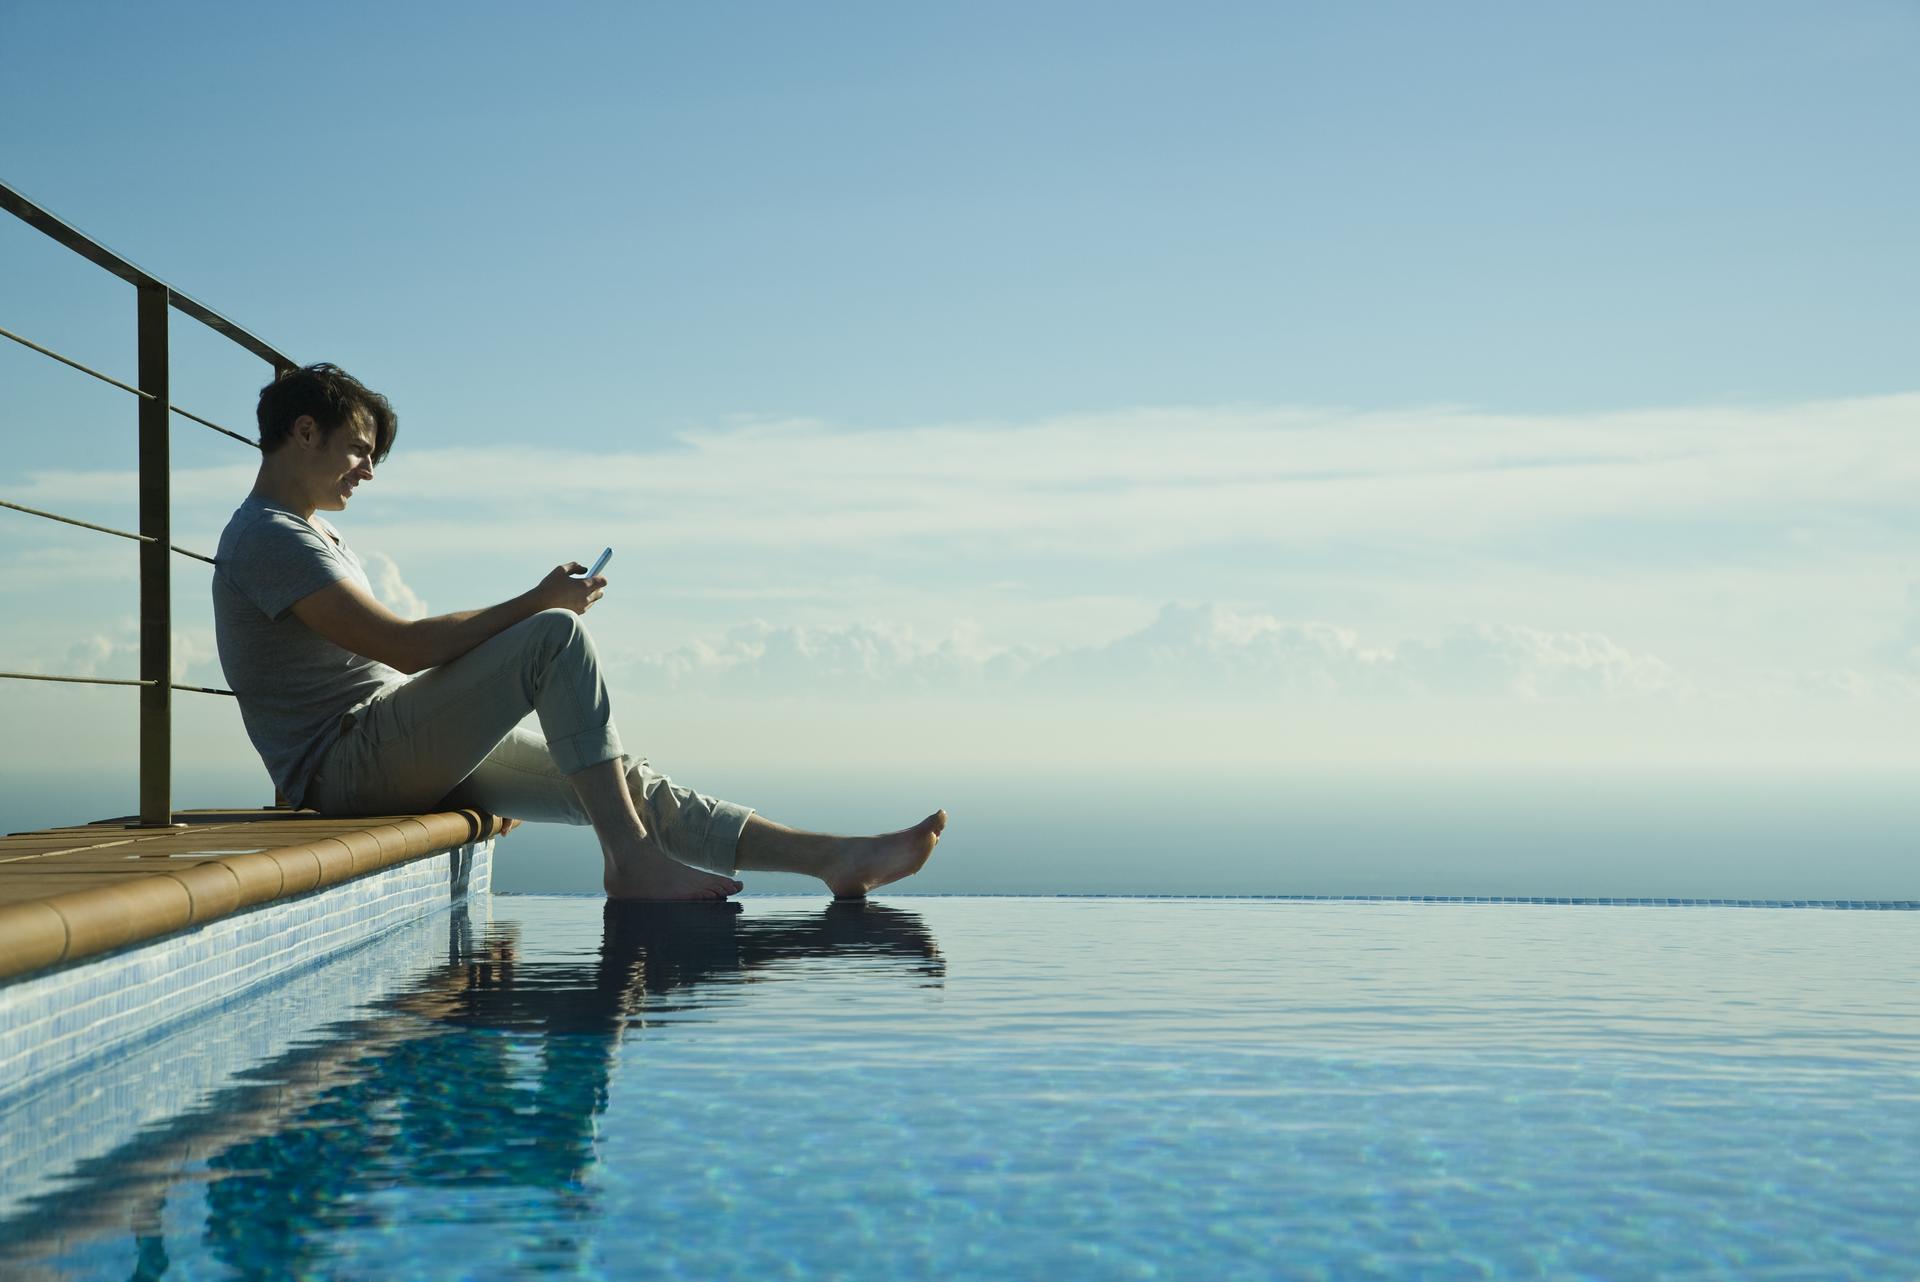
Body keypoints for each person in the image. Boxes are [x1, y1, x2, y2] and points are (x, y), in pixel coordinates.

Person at [211, 363, 944, 901]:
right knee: (552, 636)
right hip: (342, 769)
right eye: (358, 449)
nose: (368, 470)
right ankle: (629, 862)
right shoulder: (271, 538)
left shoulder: (309, 536)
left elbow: (408, 660)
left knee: (623, 783)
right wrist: (537, 601)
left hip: (381, 753)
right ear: (304, 432)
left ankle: (835, 858)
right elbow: (405, 647)